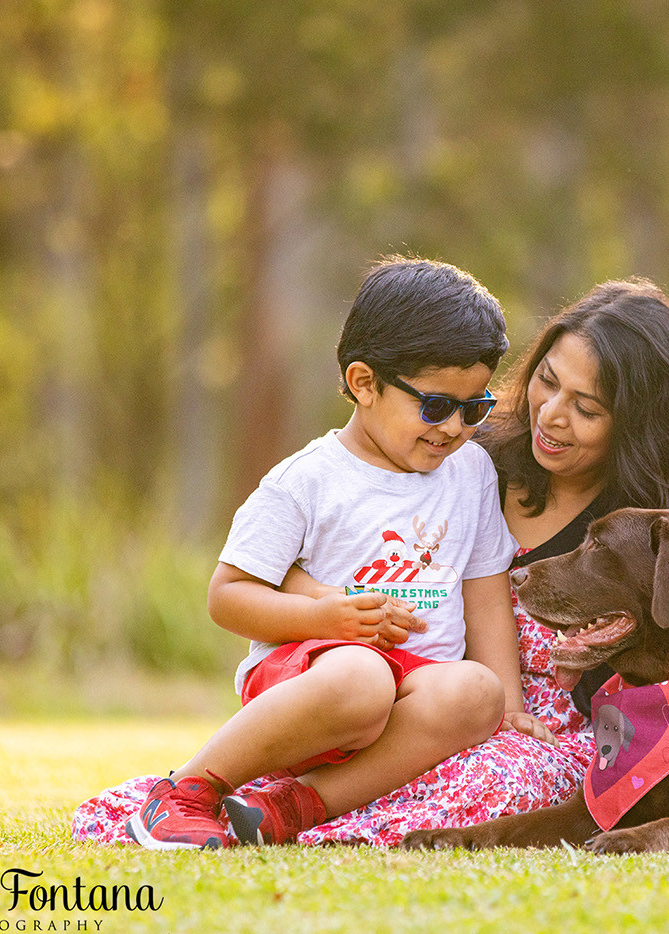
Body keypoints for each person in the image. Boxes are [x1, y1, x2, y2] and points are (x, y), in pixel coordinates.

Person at [72, 277, 669, 847]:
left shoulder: (656, 507)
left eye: (587, 408)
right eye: (545, 383)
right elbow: (295, 562)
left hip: (499, 716)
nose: (550, 416)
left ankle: (290, 809)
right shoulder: (469, 451)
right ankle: (201, 793)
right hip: (361, 674)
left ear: (637, 423)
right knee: (381, 693)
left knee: (498, 761)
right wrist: (331, 609)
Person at [121, 257, 552, 850]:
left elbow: (483, 591)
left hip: (414, 694)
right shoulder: (308, 481)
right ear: (364, 383)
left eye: (473, 409)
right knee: (362, 675)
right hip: (317, 677)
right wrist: (327, 619)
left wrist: (509, 703)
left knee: (477, 690)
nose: (454, 428)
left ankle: (290, 809)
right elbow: (228, 597)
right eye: (435, 406)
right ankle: (187, 791)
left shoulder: (470, 472)